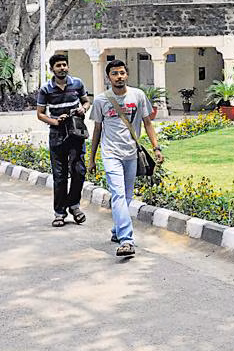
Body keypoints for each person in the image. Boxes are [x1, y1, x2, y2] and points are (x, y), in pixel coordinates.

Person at [89, 60, 163, 258]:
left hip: (131, 153)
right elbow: (97, 129)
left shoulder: (137, 95)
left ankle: (117, 230)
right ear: (108, 77)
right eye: (115, 73)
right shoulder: (101, 100)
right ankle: (126, 240)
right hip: (111, 153)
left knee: (127, 196)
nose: (119, 76)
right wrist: (92, 158)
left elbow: (147, 123)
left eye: (122, 73)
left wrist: (156, 148)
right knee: (119, 194)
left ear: (127, 75)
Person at [36, 53, 91, 227]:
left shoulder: (77, 83)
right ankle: (59, 213)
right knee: (60, 176)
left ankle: (74, 205)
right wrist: (55, 121)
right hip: (57, 135)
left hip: (76, 132)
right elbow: (40, 114)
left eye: (64, 65)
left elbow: (86, 102)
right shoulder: (46, 89)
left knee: (79, 171)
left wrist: (83, 109)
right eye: (58, 65)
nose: (62, 68)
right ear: (52, 69)